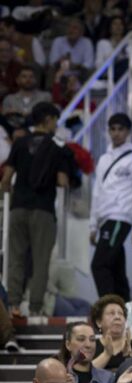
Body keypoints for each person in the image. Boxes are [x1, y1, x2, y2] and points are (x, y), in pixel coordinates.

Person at [0, 102, 72, 317]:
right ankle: (34, 309)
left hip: (18, 208)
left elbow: (5, 179)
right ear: (49, 119)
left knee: (16, 258)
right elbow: (62, 181)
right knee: (41, 262)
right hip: (43, 210)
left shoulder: (20, 142)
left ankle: (12, 306)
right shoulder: (58, 145)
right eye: (55, 121)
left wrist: (14, 197)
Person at [89, 112, 132, 300]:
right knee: (115, 266)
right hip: (106, 218)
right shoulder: (104, 159)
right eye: (112, 129)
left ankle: (107, 307)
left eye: (120, 129)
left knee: (99, 264)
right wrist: (93, 224)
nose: (116, 133)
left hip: (121, 216)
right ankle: (125, 306)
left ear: (128, 131)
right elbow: (97, 192)